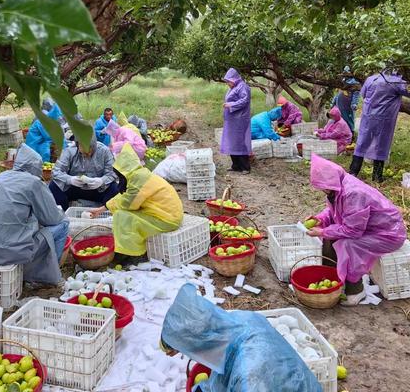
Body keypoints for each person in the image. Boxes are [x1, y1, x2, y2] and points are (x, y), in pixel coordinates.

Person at [160, 284, 322, 392]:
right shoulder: (239, 322)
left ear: (199, 342)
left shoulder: (250, 374)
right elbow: (225, 371)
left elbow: (242, 375)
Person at [306, 154, 406, 305]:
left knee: (348, 245)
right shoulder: (337, 187)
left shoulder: (353, 193)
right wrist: (321, 219)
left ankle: (356, 290)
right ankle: (334, 278)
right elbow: (337, 211)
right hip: (369, 228)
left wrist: (322, 231)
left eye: (321, 186)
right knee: (330, 236)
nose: (321, 189)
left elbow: (353, 231)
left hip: (388, 233)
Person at [0, 144, 69, 285]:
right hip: (12, 251)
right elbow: (52, 218)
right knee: (63, 224)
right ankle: (46, 275)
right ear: (35, 167)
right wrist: (59, 211)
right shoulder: (33, 182)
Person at [90, 144, 183, 256]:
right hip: (167, 214)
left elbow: (127, 203)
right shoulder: (139, 175)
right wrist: (102, 209)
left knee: (122, 216)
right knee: (123, 213)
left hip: (166, 219)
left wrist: (107, 208)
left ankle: (130, 253)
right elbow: (125, 196)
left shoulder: (138, 181)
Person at [349, 68, 410, 182]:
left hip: (368, 117)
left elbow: (363, 94)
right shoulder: (397, 82)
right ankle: (377, 177)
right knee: (381, 145)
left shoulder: (371, 79)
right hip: (384, 119)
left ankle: (353, 171)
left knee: (362, 143)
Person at [49, 134, 119, 211]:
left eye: (89, 152)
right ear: (78, 145)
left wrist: (102, 181)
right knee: (54, 185)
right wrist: (70, 179)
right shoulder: (69, 151)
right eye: (83, 153)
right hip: (74, 187)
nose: (87, 155)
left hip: (98, 189)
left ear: (94, 146)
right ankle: (62, 213)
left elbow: (113, 172)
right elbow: (56, 171)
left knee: (115, 188)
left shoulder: (104, 151)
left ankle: (104, 212)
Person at [220, 68, 252, 173]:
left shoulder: (243, 87)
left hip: (240, 119)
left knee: (240, 142)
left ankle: (245, 167)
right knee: (231, 142)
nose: (228, 84)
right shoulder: (234, 87)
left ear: (234, 79)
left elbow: (245, 101)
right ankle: (236, 165)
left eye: (229, 81)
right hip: (232, 119)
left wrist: (230, 105)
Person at [331, 67, 360, 136]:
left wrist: (354, 104)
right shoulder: (343, 81)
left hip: (347, 105)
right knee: (339, 119)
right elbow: (339, 93)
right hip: (339, 104)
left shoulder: (354, 83)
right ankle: (341, 135)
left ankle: (350, 135)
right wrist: (334, 101)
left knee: (348, 120)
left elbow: (356, 94)